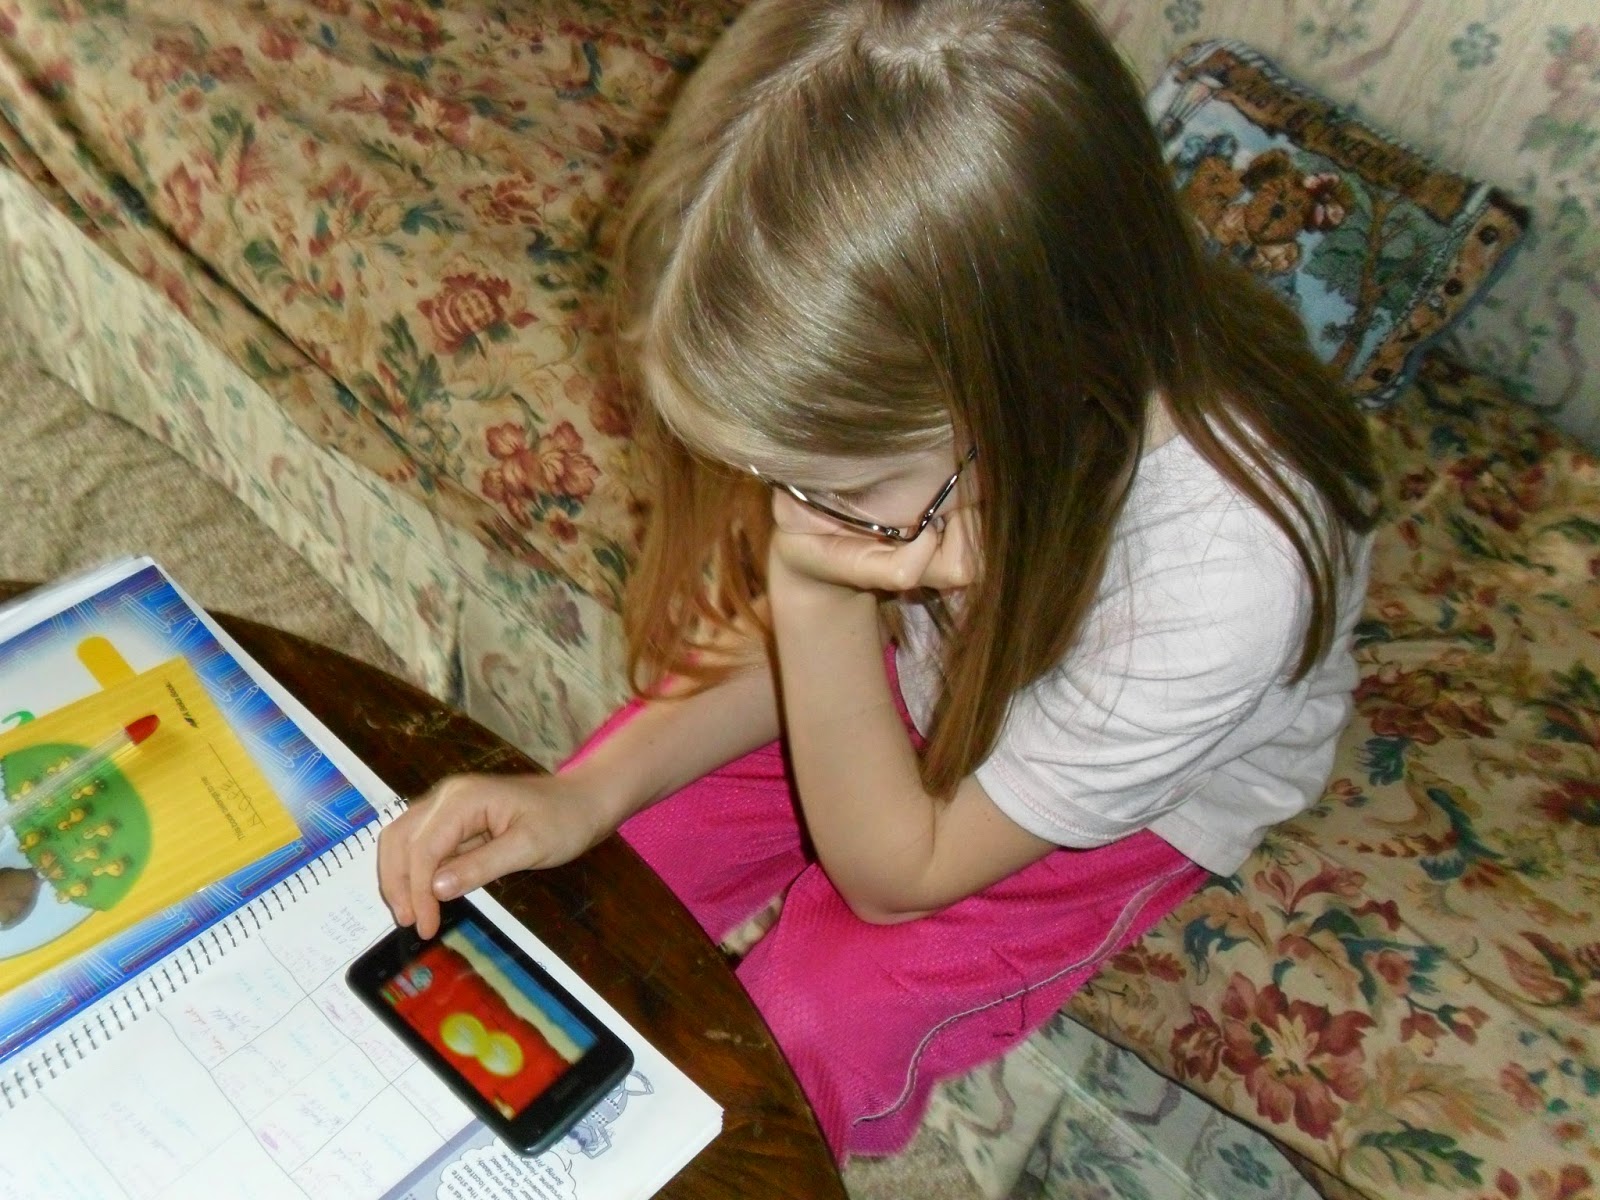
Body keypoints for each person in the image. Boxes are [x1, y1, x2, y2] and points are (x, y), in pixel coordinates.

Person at [378, 0, 1380, 1160]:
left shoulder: (1222, 573)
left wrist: (817, 589)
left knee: (813, 1018)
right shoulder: (985, 407)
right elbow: (817, 640)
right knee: (611, 860)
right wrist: (587, 796)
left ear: (1011, 399)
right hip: (933, 656)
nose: (781, 512)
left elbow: (897, 878)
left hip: (1122, 799)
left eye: (827, 489)